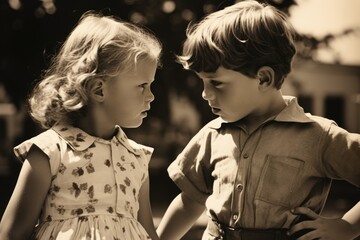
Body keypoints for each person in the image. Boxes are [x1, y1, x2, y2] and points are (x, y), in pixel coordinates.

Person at [156, 0, 360, 239]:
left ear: (263, 78)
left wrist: (348, 226)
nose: (205, 93)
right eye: (203, 82)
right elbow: (190, 202)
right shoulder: (213, 133)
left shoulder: (319, 136)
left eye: (216, 82)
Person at [0, 12, 162, 240]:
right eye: (142, 86)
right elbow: (11, 233)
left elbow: (147, 232)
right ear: (99, 89)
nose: (151, 96)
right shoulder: (49, 153)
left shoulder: (136, 158)